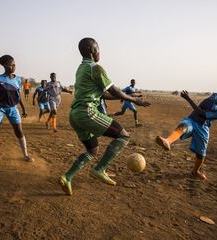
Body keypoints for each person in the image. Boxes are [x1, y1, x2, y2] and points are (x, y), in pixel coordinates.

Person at [59, 37, 150, 195]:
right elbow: (114, 90)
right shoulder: (96, 68)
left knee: (92, 149)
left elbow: (104, 94)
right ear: (93, 50)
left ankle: (67, 177)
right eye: (99, 48)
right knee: (123, 136)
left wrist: (124, 97)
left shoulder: (81, 68)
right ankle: (100, 169)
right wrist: (135, 99)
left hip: (75, 115)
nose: (100, 52)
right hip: (87, 112)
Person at [155, 90, 217, 180]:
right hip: (192, 120)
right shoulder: (215, 95)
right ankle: (168, 141)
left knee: (201, 153)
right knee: (184, 125)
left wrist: (188, 98)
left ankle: (195, 171)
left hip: (203, 127)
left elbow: (201, 113)